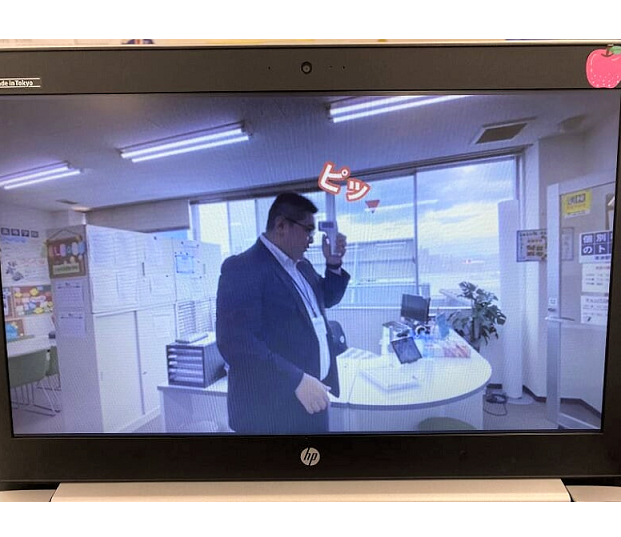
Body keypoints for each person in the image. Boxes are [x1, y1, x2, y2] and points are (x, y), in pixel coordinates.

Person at [216, 192, 349, 434]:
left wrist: (333, 264)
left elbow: (328, 298)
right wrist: (296, 379)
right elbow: (235, 342)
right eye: (307, 230)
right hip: (272, 410)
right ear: (281, 226)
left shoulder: (303, 266)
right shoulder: (243, 267)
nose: (312, 239)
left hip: (313, 397)